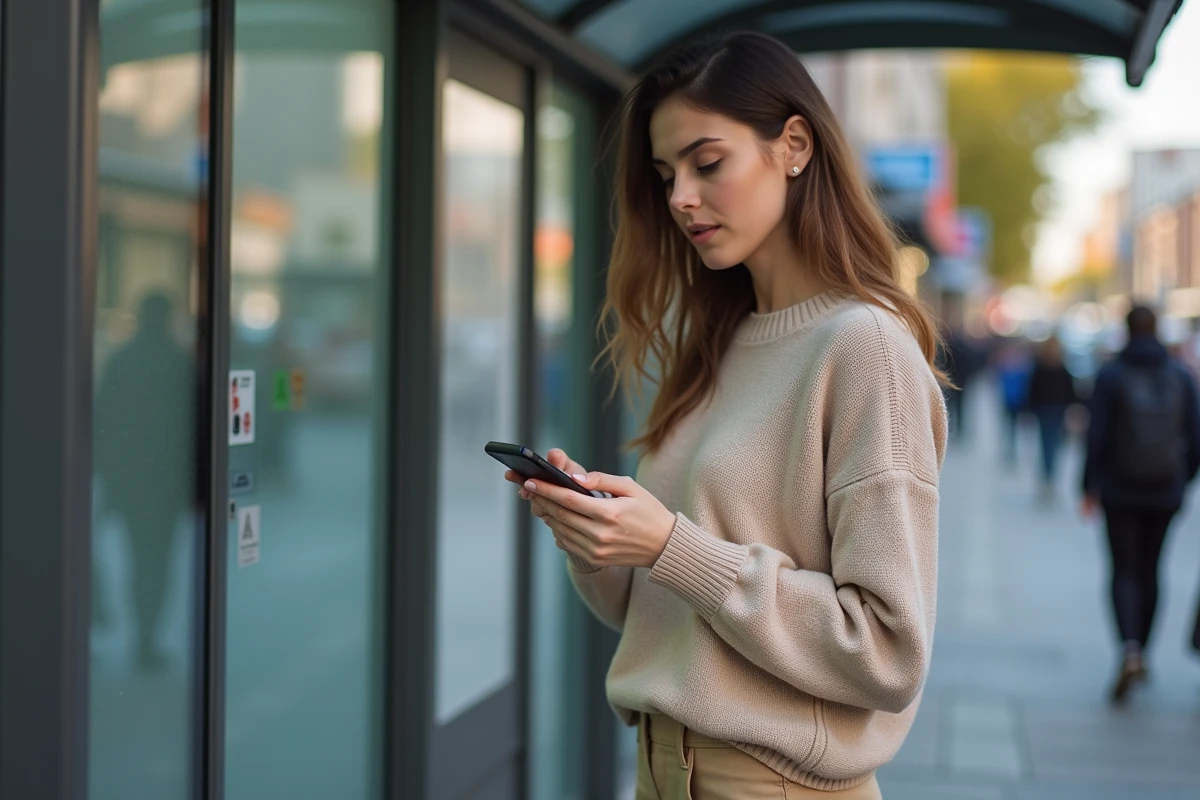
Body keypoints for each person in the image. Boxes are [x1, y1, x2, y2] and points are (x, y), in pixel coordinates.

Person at [506, 32, 945, 799]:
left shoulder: (865, 346)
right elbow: (660, 616)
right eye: (667, 173)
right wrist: (599, 541)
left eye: (708, 163)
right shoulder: (719, 341)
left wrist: (676, 545)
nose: (680, 196)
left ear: (795, 146)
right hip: (659, 771)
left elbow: (887, 651)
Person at [1082, 305, 1200, 703]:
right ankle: (1144, 651)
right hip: (1165, 490)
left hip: (1120, 489)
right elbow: (1195, 438)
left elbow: (1095, 435)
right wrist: (1183, 481)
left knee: (1123, 570)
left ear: (1126, 330)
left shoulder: (1111, 375)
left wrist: (1088, 486)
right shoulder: (1181, 376)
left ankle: (1129, 647)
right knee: (1152, 569)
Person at [1026, 336, 1078, 504]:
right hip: (1056, 410)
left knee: (1046, 444)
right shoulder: (1061, 368)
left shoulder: (1040, 366)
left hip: (1045, 410)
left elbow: (1032, 389)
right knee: (1053, 444)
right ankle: (1050, 475)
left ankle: (1047, 477)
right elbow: (1071, 391)